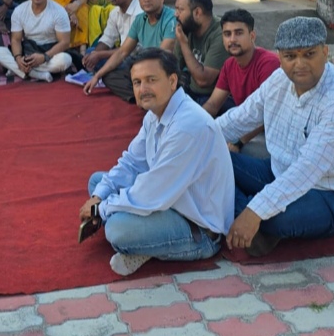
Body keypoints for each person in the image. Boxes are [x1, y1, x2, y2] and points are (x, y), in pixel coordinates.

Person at [219, 17, 334, 257]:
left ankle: (240, 215)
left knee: (276, 221)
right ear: (279, 56)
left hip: (332, 195)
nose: (300, 64)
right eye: (290, 56)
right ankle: (246, 216)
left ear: (325, 51)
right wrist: (190, 140)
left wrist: (255, 211)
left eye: (309, 54)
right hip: (278, 171)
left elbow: (307, 169)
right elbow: (237, 119)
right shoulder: (279, 79)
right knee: (213, 158)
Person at [79, 48, 234, 276]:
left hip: (197, 228)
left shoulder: (188, 126)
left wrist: (100, 209)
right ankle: (148, 239)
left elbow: (151, 192)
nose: (143, 89)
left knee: (116, 230)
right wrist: (100, 197)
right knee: (98, 182)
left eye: (151, 80)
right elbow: (132, 162)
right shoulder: (156, 113)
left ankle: (148, 243)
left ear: (172, 81)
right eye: (137, 82)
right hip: (169, 201)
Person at [201, 9, 280, 158]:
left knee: (221, 154)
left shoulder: (268, 63)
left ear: (252, 36)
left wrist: (239, 142)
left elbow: (265, 115)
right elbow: (212, 104)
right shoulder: (229, 64)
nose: (232, 40)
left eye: (238, 33)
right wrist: (193, 124)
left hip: (270, 134)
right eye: (227, 34)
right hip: (245, 128)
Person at [83, 0, 177, 102]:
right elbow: (122, 52)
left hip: (164, 69)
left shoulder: (171, 18)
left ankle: (147, 94)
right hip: (145, 67)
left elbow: (163, 53)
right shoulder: (140, 19)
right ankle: (141, 95)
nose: (146, 0)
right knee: (108, 76)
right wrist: (97, 76)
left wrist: (140, 74)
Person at [0, 0, 73, 82]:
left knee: (65, 60)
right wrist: (18, 58)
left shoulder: (59, 11)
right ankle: (35, 73)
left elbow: (64, 42)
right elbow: (16, 40)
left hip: (49, 54)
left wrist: (44, 57)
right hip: (28, 52)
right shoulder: (19, 10)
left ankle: (20, 70)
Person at [173, 0, 228, 104]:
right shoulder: (189, 27)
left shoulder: (220, 34)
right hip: (190, 90)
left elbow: (203, 81)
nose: (176, 14)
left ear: (197, 12)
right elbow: (175, 66)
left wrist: (183, 43)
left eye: (180, 9)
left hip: (211, 98)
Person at [82, 0, 142, 73]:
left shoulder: (139, 13)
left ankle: (105, 74)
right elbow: (107, 38)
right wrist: (94, 54)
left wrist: (99, 55)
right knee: (90, 52)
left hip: (137, 57)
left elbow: (131, 51)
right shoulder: (115, 12)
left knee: (124, 63)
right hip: (122, 53)